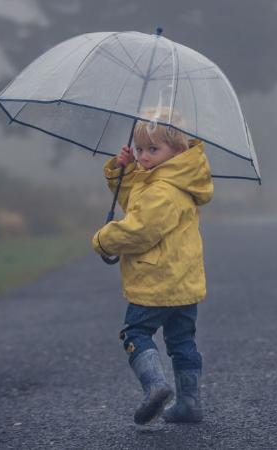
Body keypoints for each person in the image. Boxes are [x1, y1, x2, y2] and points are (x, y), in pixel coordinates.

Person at [91, 107, 213, 425]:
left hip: (155, 280)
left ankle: (155, 386)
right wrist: (123, 171)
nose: (143, 156)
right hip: (183, 283)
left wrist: (104, 239)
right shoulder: (172, 181)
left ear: (178, 150)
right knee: (182, 340)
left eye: (153, 149)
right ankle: (189, 402)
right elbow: (135, 200)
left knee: (136, 332)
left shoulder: (162, 190)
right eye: (140, 148)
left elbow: (141, 228)